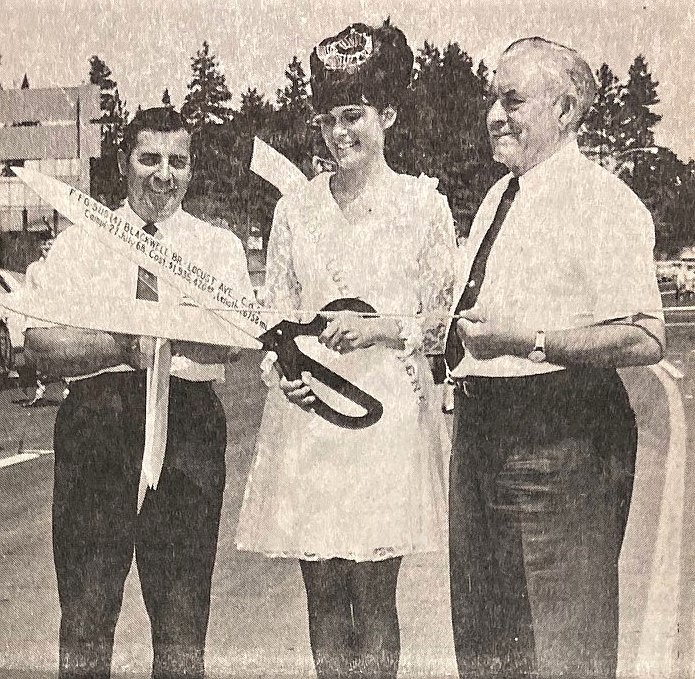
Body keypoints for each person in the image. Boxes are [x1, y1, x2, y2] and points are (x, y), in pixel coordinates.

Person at [236, 21, 456, 679]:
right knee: (323, 595)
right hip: (309, 423)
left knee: (373, 593)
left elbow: (441, 323)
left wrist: (381, 328)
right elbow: (272, 316)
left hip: (385, 414)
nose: (340, 134)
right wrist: (284, 373)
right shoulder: (295, 209)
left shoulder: (423, 204)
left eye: (353, 115)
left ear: (386, 113)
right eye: (328, 119)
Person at [444, 38, 665, 679]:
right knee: (487, 645)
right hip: (481, 434)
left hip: (563, 435)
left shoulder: (603, 201)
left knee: (567, 647)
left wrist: (529, 341)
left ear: (565, 109)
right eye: (493, 97)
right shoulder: (497, 197)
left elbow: (646, 335)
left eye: (512, 99)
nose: (494, 114)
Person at [23, 107, 254, 679]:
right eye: (149, 158)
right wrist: (125, 345)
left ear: (192, 168)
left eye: (177, 160)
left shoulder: (216, 248)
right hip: (97, 425)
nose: (164, 174)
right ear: (123, 163)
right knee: (85, 617)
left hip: (188, 427)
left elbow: (237, 339)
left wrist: (176, 339)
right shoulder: (81, 242)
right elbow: (41, 344)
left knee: (180, 628)